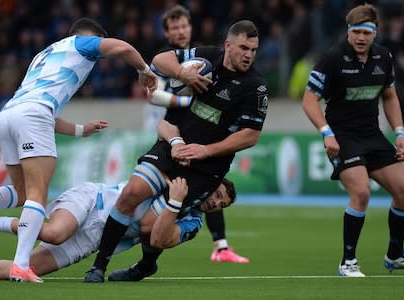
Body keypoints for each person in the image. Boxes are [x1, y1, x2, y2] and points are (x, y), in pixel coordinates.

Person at [0, 17, 158, 283]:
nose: (96, 62)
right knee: (38, 193)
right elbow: (124, 49)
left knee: (23, 192)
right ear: (90, 37)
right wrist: (144, 71)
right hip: (32, 116)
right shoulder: (82, 43)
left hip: (9, 116)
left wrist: (81, 130)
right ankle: (20, 265)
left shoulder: (43, 55)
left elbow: (42, 109)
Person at [84, 20, 267, 283]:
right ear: (227, 45)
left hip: (205, 169)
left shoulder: (256, 86)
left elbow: (251, 135)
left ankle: (146, 265)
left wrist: (206, 150)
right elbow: (159, 60)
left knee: (151, 228)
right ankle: (98, 266)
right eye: (243, 48)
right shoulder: (208, 57)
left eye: (253, 50)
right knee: (131, 192)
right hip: (174, 143)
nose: (249, 55)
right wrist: (183, 74)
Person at [301, 3, 404, 277]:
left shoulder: (384, 57)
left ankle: (395, 255)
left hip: (373, 135)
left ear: (375, 33)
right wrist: (326, 132)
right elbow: (309, 100)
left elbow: (390, 96)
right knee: (361, 192)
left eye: (366, 33)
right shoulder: (333, 58)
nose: (360, 38)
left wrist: (400, 133)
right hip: (343, 137)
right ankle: (348, 262)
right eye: (356, 32)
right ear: (348, 32)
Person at [0, 176, 236, 282]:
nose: (216, 202)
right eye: (218, 194)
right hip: (93, 201)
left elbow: (159, 235)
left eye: (222, 203)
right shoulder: (178, 176)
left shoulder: (193, 222)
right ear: (211, 185)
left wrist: (174, 203)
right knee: (53, 232)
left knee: (26, 270)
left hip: (96, 238)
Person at [145, 4, 249, 264]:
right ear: (167, 33)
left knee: (210, 187)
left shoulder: (202, 59)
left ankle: (221, 245)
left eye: (184, 26)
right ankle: (145, 242)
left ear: (191, 27)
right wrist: (186, 102)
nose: (181, 31)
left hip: (199, 130)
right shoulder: (167, 60)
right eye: (175, 28)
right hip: (172, 132)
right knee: (168, 190)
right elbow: (152, 95)